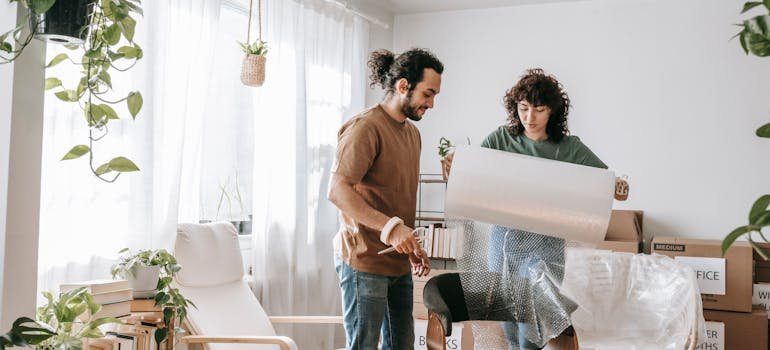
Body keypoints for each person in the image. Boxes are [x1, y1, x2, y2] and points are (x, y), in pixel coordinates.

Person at [445, 68, 628, 349]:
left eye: (539, 110)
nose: (529, 118)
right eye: (523, 108)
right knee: (507, 306)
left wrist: (618, 186)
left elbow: (603, 182)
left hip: (546, 242)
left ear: (553, 111)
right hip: (504, 239)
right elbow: (473, 176)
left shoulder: (568, 148)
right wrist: (455, 167)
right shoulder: (501, 140)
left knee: (535, 313)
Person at [327, 48, 444, 350]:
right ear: (403, 85)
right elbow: (338, 189)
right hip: (364, 261)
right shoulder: (366, 127)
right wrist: (391, 228)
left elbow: (393, 197)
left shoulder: (413, 134)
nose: (431, 104)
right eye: (428, 94)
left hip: (397, 265)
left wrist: (410, 245)